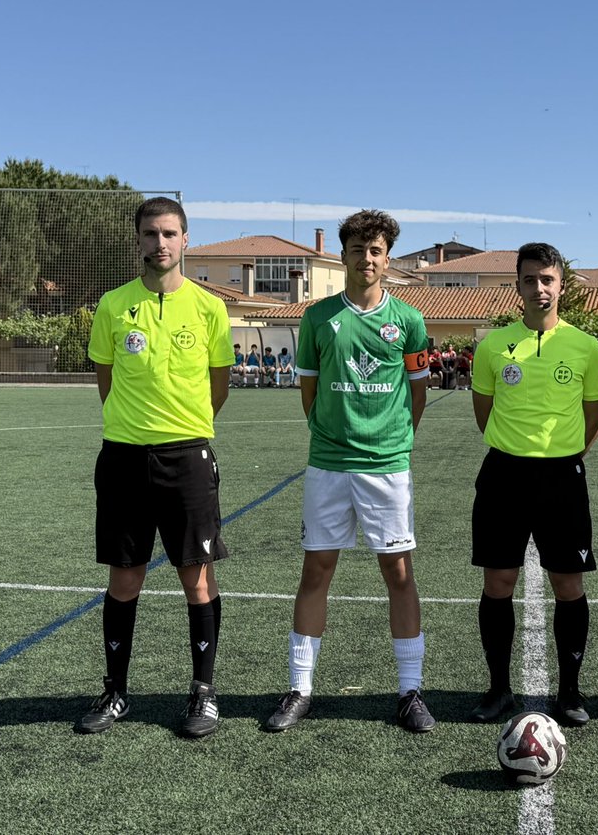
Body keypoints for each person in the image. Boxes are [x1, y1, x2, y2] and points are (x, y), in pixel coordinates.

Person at [265, 209, 435, 734]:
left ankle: (410, 692)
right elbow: (309, 390)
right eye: (358, 249)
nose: (367, 258)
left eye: (377, 250)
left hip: (387, 464)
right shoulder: (318, 318)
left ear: (388, 259)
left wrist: (393, 438)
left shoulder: (407, 320)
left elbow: (418, 391)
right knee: (317, 570)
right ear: (343, 256)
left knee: (399, 572)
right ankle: (300, 688)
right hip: (330, 464)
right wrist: (331, 432)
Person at [77, 196, 233, 738]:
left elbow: (218, 389)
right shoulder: (112, 306)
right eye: (150, 234)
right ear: (138, 240)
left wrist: (183, 430)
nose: (160, 244)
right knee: (125, 578)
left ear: (185, 240)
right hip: (122, 458)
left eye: (170, 234)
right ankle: (115, 692)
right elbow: (106, 382)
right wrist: (136, 429)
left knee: (197, 578)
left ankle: (204, 695)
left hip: (188, 457)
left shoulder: (210, 309)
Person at [468, 242, 598, 727]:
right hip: (504, 474)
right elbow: (483, 412)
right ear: (518, 286)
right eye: (530, 280)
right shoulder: (492, 345)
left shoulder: (585, 347)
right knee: (498, 581)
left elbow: (596, 416)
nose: (539, 288)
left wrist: (564, 455)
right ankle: (498, 689)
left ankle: (570, 692)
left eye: (548, 279)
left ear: (561, 285)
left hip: (562, 476)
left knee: (568, 584)